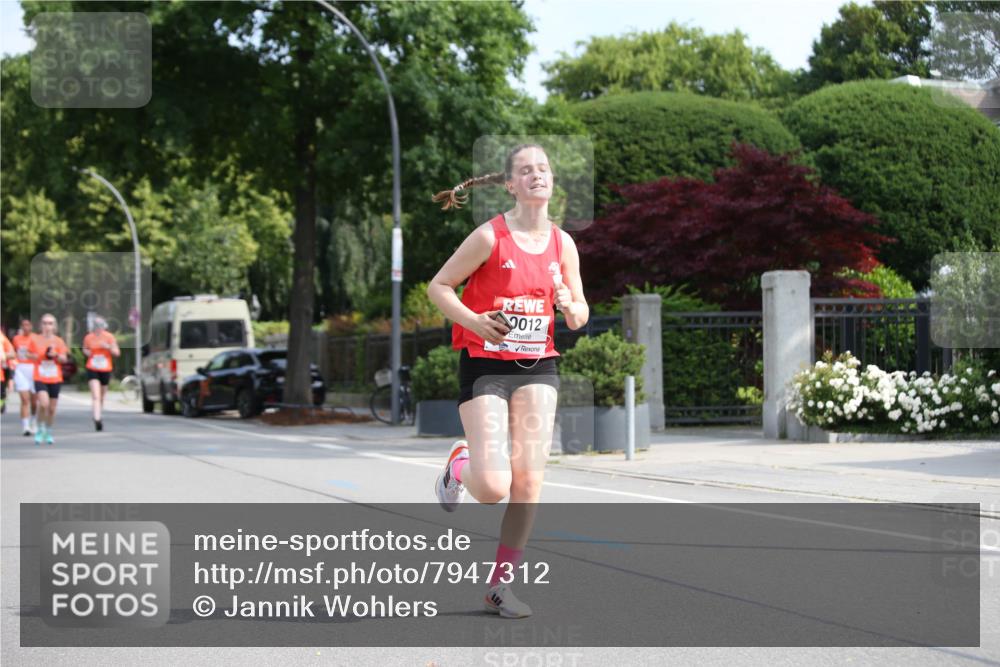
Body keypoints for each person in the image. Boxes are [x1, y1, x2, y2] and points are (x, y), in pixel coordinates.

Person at [427, 143, 589, 619]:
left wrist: (567, 304)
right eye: (526, 170)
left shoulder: (564, 244)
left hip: (539, 364)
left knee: (529, 482)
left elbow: (580, 315)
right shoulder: (489, 237)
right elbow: (438, 286)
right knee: (494, 485)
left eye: (543, 167)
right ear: (512, 184)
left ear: (551, 180)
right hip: (485, 365)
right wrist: (475, 322)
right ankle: (460, 466)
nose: (537, 174)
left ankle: (500, 587)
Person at [28, 314, 69, 445]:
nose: (47, 326)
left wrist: (55, 355)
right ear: (41, 325)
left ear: (54, 326)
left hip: (55, 378)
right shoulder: (34, 339)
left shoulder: (58, 341)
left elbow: (64, 358)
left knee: (51, 409)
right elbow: (28, 354)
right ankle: (40, 429)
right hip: (40, 376)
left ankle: (48, 431)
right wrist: (39, 355)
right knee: (44, 404)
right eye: (45, 323)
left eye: (50, 323)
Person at [82, 317, 120, 431]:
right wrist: (87, 352)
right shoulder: (88, 337)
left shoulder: (109, 337)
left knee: (102, 396)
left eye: (100, 325)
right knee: (96, 395)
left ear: (104, 326)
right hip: (92, 368)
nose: (98, 327)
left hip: (105, 369)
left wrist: (108, 347)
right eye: (96, 325)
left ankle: (99, 413)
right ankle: (97, 418)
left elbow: (117, 353)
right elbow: (85, 349)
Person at [12, 318, 38, 435]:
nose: (26, 327)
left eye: (28, 325)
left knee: (34, 401)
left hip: (33, 369)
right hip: (21, 369)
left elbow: (39, 355)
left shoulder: (36, 338)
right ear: (21, 326)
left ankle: (33, 420)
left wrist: (29, 355)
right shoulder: (16, 339)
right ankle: (25, 426)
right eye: (24, 325)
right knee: (24, 399)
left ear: (32, 326)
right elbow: (13, 352)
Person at [0, 328, 13, 414]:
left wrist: (4, 354)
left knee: (2, 396)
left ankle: (2, 402)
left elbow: (12, 354)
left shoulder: (2, 338)